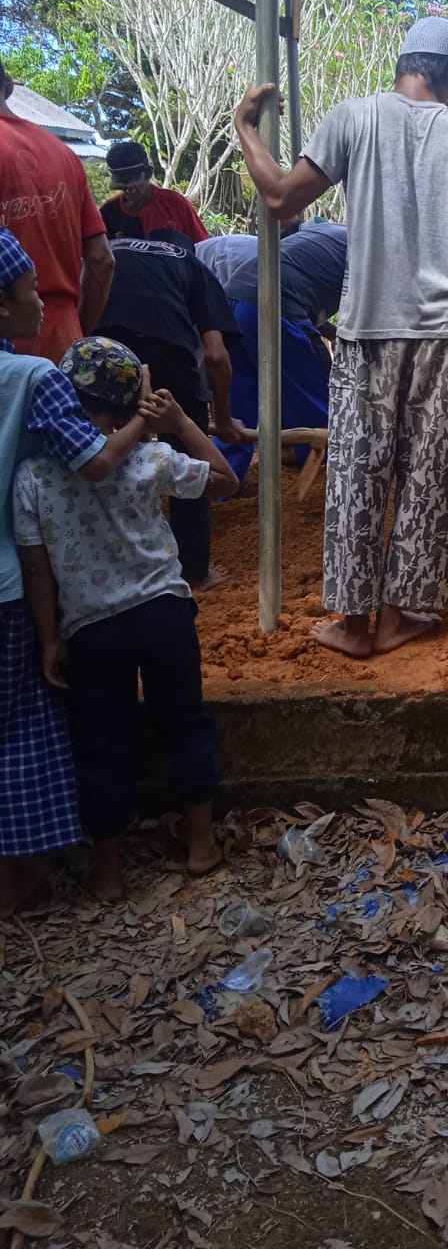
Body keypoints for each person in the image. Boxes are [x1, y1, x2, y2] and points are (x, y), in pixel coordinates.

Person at [233, 16, 448, 659]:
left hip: (365, 332)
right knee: (430, 477)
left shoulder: (352, 118)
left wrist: (245, 128)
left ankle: (354, 626)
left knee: (358, 472)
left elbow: (279, 199)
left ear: (401, 62)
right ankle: (403, 615)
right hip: (445, 334)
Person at [15, 338, 236, 902]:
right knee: (184, 723)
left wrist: (49, 640)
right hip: (164, 612)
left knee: (102, 744)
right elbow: (225, 480)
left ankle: (109, 874)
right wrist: (181, 420)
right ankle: (201, 844)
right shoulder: (150, 458)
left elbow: (37, 569)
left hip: (91, 629)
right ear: (129, 407)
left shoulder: (34, 477)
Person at [0, 230, 148, 919]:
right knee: (24, 720)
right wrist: (142, 425)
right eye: (33, 288)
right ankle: (24, 870)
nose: (44, 299)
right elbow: (92, 462)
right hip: (10, 587)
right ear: (5, 306)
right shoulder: (34, 379)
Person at [93, 232, 248, 590]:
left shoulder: (109, 249)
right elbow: (215, 355)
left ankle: (110, 559)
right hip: (167, 350)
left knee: (103, 447)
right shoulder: (191, 263)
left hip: (100, 346)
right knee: (185, 450)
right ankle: (194, 572)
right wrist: (221, 421)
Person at [0, 53, 114, 362]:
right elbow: (102, 260)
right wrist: (78, 333)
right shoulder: (63, 153)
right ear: (9, 87)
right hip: (64, 341)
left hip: (7, 350)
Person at [220, 219, 349, 483]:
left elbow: (296, 280)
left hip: (234, 303)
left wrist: (330, 332)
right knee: (322, 408)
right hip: (274, 308)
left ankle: (222, 480)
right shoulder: (368, 250)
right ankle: (322, 490)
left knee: (239, 410)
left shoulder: (328, 235)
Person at [100, 139, 209, 245]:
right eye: (123, 187)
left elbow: (202, 247)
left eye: (135, 185)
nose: (129, 190)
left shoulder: (175, 203)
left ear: (148, 173)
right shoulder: (108, 212)